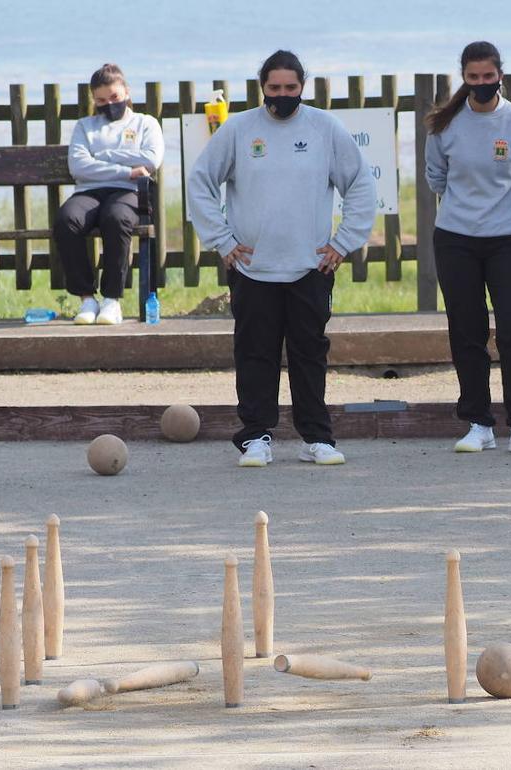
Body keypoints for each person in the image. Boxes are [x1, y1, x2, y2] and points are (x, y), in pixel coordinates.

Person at [187, 50, 375, 468]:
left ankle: (317, 438)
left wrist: (343, 243)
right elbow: (200, 181)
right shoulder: (239, 129)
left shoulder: (325, 127)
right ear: (262, 88)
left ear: (302, 87)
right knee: (255, 355)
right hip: (253, 268)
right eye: (275, 88)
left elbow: (360, 184)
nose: (283, 95)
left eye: (291, 88)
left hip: (310, 266)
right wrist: (222, 240)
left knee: (310, 354)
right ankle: (256, 436)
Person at [424, 41, 511, 456]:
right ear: (464, 77)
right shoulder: (445, 124)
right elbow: (436, 179)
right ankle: (478, 422)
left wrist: (501, 207)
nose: (481, 84)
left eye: (488, 77)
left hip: (508, 240)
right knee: (466, 331)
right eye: (473, 77)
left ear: (501, 75)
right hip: (456, 239)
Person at [55, 63, 164, 325]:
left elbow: (151, 159)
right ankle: (87, 299)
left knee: (116, 218)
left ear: (126, 91)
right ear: (94, 100)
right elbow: (79, 166)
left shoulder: (145, 123)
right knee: (66, 220)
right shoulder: (85, 126)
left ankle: (111, 300)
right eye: (101, 100)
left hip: (128, 193)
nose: (109, 104)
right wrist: (126, 170)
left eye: (114, 97)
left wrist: (103, 156)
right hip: (90, 191)